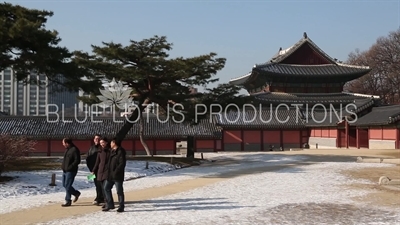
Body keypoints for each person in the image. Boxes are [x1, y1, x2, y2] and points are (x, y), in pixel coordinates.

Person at [103, 138, 126, 212]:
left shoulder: (120, 151)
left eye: (111, 142)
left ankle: (121, 206)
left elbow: (122, 163)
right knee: (106, 188)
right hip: (110, 175)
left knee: (119, 191)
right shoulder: (111, 151)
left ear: (115, 143)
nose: (110, 144)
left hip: (117, 175)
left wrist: (116, 171)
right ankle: (110, 204)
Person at [61, 137, 81, 207]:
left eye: (63, 143)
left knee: (67, 186)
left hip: (71, 171)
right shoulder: (67, 150)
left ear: (67, 143)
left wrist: (70, 167)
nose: (63, 144)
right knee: (64, 185)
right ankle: (76, 193)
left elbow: (77, 160)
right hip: (65, 170)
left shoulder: (74, 150)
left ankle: (68, 200)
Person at [92, 137, 111, 208]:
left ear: (106, 142)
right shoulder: (100, 151)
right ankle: (105, 201)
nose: (102, 144)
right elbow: (97, 162)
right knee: (102, 187)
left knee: (106, 187)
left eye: (103, 142)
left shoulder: (110, 151)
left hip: (107, 171)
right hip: (100, 171)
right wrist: (93, 170)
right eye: (101, 143)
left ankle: (108, 202)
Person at [86, 134, 104, 205]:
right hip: (93, 170)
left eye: (98, 139)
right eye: (96, 139)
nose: (97, 140)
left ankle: (101, 198)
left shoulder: (102, 148)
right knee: (97, 184)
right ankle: (99, 197)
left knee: (101, 184)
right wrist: (91, 169)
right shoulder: (91, 148)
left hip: (101, 170)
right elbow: (88, 158)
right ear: (94, 140)